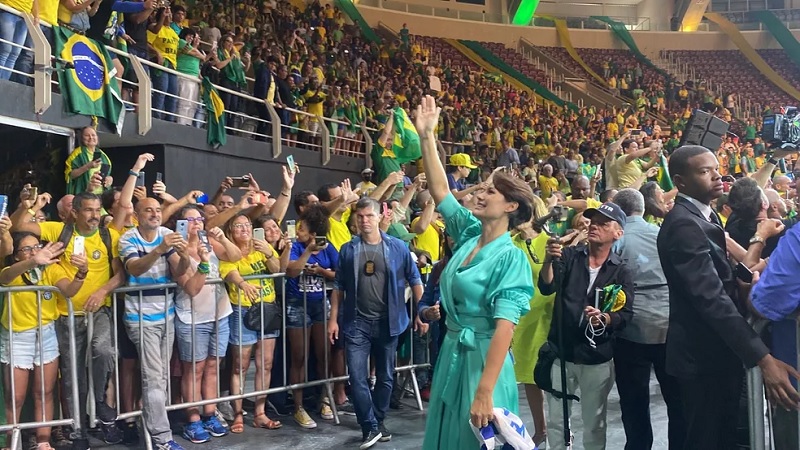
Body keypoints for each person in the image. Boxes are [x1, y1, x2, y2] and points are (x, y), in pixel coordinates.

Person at [413, 95, 535, 450]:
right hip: (452, 352)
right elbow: (440, 191)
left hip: (483, 364)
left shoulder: (511, 258)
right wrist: (427, 137)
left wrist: (485, 391)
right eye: (480, 187)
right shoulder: (468, 235)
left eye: (490, 191)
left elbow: (504, 329)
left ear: (511, 206)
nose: (481, 194)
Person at [657, 145, 798, 449]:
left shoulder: (700, 216)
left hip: (715, 354)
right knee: (710, 439)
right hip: (703, 358)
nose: (717, 175)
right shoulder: (684, 224)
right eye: (704, 171)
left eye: (716, 167)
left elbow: (721, 280)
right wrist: (762, 357)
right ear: (680, 182)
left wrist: (751, 276)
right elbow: (711, 299)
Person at [10, 191, 125, 444]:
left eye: (97, 210)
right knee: (73, 374)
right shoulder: (58, 231)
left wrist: (102, 290)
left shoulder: (109, 235)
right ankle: (78, 430)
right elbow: (19, 226)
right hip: (66, 314)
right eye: (89, 210)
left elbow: (121, 275)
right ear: (75, 212)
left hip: (100, 310)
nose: (95, 215)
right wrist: (28, 206)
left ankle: (97, 404)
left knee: (104, 351)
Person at [328, 197, 423, 449]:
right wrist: (333, 319)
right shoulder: (348, 249)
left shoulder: (398, 247)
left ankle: (378, 421)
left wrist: (421, 311)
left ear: (380, 216)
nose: (364, 221)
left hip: (389, 322)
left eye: (369, 216)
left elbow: (415, 279)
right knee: (357, 377)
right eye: (359, 217)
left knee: (385, 377)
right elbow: (339, 285)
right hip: (356, 322)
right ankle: (368, 425)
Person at [539, 201, 633, 450]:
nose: (595, 226)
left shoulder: (621, 270)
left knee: (594, 423)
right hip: (562, 353)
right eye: (593, 221)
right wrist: (549, 260)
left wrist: (605, 319)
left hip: (597, 356)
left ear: (618, 233)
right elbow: (547, 286)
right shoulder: (570, 256)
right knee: (558, 421)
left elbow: (626, 315)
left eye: (604, 223)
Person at [612, 188, 684, 450]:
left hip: (631, 327)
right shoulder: (662, 233)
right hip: (669, 324)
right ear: (643, 208)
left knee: (633, 401)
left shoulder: (617, 239)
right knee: (677, 400)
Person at [119, 196, 191, 450]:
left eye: (158, 210)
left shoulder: (167, 233)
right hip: (140, 319)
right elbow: (135, 269)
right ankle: (162, 439)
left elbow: (180, 271)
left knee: (160, 376)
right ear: (137, 215)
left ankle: (149, 425)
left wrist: (184, 256)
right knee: (153, 378)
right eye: (148, 210)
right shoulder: (128, 238)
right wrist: (159, 249)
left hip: (166, 315)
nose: (154, 214)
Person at [1, 235, 86, 450]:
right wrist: (33, 261)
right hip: (17, 337)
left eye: (36, 247)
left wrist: (82, 272)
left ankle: (43, 442)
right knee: (15, 396)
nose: (32, 251)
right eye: (26, 249)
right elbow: (5, 279)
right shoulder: (10, 270)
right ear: (16, 255)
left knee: (45, 392)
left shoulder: (51, 270)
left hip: (46, 334)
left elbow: (68, 290)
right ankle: (12, 444)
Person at [172, 205, 240, 443]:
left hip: (219, 314)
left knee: (213, 367)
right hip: (192, 318)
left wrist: (222, 239)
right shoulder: (176, 251)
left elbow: (235, 257)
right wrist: (202, 262)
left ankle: (210, 414)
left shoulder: (209, 242)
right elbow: (191, 288)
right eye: (190, 219)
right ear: (180, 224)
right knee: (194, 370)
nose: (196, 223)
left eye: (199, 218)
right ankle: (193, 419)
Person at [220, 213, 282, 433]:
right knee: (241, 365)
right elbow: (229, 272)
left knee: (266, 364)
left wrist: (268, 254)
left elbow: (277, 270)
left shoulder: (262, 246)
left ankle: (260, 413)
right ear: (230, 232)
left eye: (247, 225)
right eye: (238, 226)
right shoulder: (228, 252)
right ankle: (237, 414)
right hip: (242, 309)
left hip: (268, 308)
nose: (244, 229)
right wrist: (243, 284)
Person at [284, 204, 339, 428]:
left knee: (323, 354)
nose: (299, 232)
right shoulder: (296, 247)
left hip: (319, 304)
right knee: (299, 356)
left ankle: (325, 399)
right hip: (297, 304)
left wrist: (322, 272)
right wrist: (307, 252)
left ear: (314, 232)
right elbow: (290, 270)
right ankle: (298, 407)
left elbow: (340, 273)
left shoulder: (328, 248)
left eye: (303, 229)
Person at [509, 196, 553, 448]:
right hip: (521, 318)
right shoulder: (511, 243)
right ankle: (541, 429)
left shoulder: (550, 241)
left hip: (546, 316)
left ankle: (555, 428)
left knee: (548, 376)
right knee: (529, 376)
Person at [64, 127, 112, 195]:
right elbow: (70, 175)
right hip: (84, 196)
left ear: (97, 137)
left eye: (93, 135)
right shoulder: (77, 154)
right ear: (82, 139)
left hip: (102, 197)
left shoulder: (104, 156)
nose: (91, 137)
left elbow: (108, 175)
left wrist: (110, 179)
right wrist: (87, 166)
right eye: (87, 135)